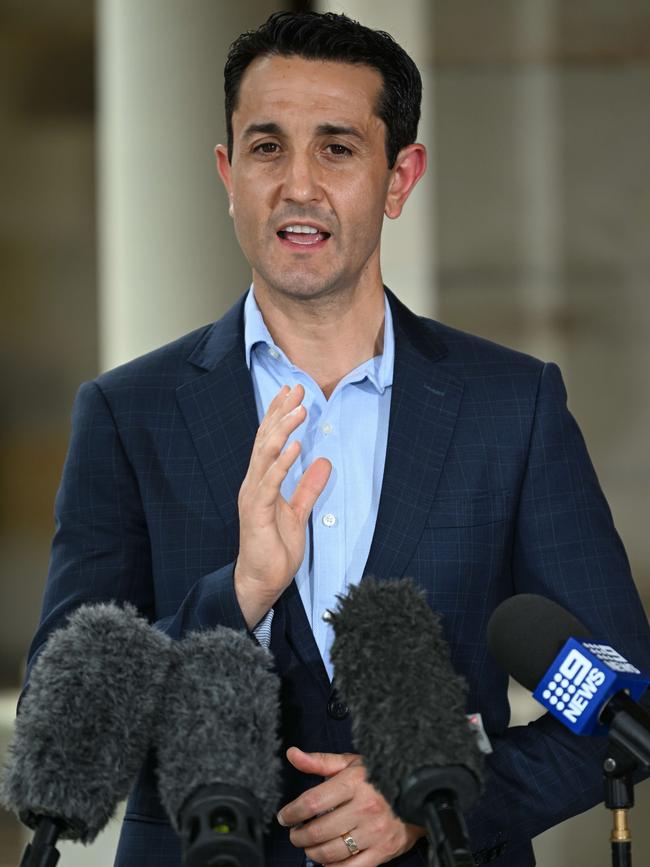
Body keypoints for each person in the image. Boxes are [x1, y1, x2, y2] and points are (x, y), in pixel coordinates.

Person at [24, 11, 649, 867]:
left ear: (400, 178)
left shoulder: (514, 404)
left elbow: (622, 707)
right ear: (228, 172)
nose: (299, 185)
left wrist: (440, 795)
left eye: (338, 148)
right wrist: (235, 595)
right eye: (267, 147)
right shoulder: (129, 412)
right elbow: (69, 732)